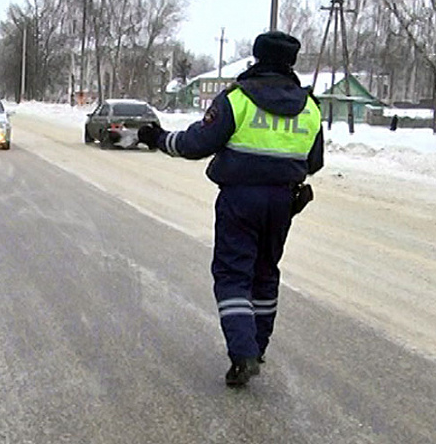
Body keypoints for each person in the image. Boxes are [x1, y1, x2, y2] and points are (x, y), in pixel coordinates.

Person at [137, 31, 324, 387]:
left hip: (240, 199)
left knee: (233, 274)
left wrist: (159, 138)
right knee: (266, 273)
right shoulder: (310, 107)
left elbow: (196, 143)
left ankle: (243, 353)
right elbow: (313, 161)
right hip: (284, 201)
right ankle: (258, 344)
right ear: (290, 62)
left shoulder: (237, 99)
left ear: (257, 57)